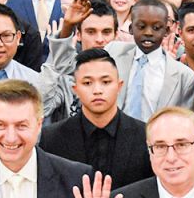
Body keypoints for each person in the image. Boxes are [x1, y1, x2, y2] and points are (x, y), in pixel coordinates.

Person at [40, 48, 154, 188]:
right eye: (87, 83)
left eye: (106, 82)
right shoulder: (52, 138)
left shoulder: (146, 135)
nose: (97, 90)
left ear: (119, 86)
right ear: (75, 89)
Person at [108, 0, 194, 118]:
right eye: (141, 26)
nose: (148, 33)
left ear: (166, 30)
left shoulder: (184, 76)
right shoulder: (112, 52)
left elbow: (185, 119)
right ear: (131, 29)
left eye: (156, 28)